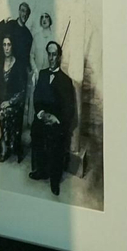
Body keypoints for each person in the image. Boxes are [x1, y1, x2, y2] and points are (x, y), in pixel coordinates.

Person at [30, 41, 79, 197]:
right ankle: (41, 171)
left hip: (57, 121)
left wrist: (56, 118)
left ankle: (54, 180)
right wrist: (42, 113)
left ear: (59, 57)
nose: (51, 58)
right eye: (49, 54)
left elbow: (69, 109)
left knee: (56, 139)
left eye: (54, 55)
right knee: (36, 130)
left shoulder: (66, 81)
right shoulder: (43, 74)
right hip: (43, 116)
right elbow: (36, 98)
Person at [0, 33, 27, 166]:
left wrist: (10, 102)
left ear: (12, 46)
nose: (6, 48)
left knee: (1, 114)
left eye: (9, 45)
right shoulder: (0, 61)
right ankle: (3, 147)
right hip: (1, 100)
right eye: (4, 45)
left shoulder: (18, 65)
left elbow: (22, 91)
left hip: (14, 103)